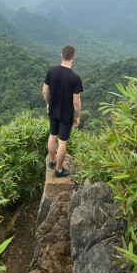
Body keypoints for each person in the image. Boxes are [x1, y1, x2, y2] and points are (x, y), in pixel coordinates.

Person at [42, 44, 83, 177]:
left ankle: (52, 161)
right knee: (62, 141)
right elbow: (76, 102)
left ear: (61, 55)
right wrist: (78, 116)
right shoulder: (75, 78)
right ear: (74, 57)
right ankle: (59, 170)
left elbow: (44, 91)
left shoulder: (51, 71)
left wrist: (48, 103)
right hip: (66, 114)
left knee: (52, 136)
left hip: (53, 110)